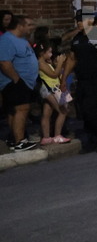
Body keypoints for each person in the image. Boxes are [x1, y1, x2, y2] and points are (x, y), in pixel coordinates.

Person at [61, 11, 97, 152]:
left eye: (82, 20)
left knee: (90, 107)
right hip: (83, 79)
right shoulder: (77, 39)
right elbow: (72, 59)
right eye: (78, 20)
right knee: (82, 111)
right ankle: (92, 139)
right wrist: (63, 79)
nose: (79, 23)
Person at [0, 14, 39, 151]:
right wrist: (16, 79)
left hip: (24, 82)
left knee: (15, 110)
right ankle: (19, 141)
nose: (32, 28)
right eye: (29, 25)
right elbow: (4, 62)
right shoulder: (7, 40)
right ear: (19, 26)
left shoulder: (21, 39)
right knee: (21, 109)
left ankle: (14, 138)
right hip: (14, 82)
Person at [35, 41, 70, 144]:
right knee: (62, 111)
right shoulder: (40, 62)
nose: (51, 54)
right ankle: (57, 136)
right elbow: (54, 74)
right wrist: (59, 63)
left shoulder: (45, 62)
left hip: (50, 89)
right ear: (42, 53)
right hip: (49, 89)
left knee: (47, 112)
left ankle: (46, 137)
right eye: (49, 52)